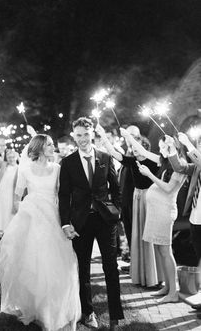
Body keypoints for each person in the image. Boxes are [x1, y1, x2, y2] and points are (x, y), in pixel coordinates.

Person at [0, 134, 81, 330]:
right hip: (31, 219)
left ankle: (53, 307)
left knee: (56, 260)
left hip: (52, 218)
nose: (52, 147)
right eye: (49, 144)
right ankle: (36, 306)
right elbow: (17, 195)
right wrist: (22, 210)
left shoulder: (57, 168)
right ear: (39, 147)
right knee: (33, 262)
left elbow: (61, 195)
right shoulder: (26, 168)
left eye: (52, 145)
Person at [59, 117, 124, 331]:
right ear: (73, 136)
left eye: (86, 134)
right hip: (81, 222)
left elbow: (116, 188)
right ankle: (88, 312)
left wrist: (117, 211)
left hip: (106, 220)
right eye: (78, 135)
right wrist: (66, 224)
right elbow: (64, 196)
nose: (83, 139)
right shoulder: (67, 162)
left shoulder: (105, 157)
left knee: (111, 267)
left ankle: (115, 315)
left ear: (92, 133)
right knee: (82, 269)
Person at [120, 128, 186, 303]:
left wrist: (149, 175)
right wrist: (128, 137)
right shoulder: (164, 162)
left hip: (165, 212)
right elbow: (143, 152)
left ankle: (173, 292)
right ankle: (166, 286)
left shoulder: (179, 166)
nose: (161, 149)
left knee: (165, 250)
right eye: (161, 146)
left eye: (165, 146)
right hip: (156, 211)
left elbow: (168, 188)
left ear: (174, 147)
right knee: (159, 249)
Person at [96, 124, 161, 287]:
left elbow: (144, 153)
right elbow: (114, 153)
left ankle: (154, 276)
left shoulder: (153, 161)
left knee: (149, 237)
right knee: (137, 236)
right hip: (137, 199)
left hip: (150, 200)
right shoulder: (132, 162)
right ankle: (141, 275)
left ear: (144, 146)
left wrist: (128, 137)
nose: (134, 149)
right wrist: (103, 135)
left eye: (137, 146)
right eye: (133, 147)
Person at [167, 132, 201, 264]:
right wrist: (172, 149)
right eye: (199, 145)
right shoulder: (197, 168)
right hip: (194, 219)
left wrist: (187, 143)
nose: (199, 148)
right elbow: (179, 167)